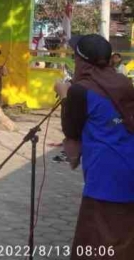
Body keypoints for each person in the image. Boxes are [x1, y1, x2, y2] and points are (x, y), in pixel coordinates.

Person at [54, 34, 134, 260]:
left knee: (94, 242)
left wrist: (65, 96)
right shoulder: (123, 83)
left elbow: (71, 129)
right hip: (130, 167)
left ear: (81, 62)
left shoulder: (81, 91)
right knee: (125, 238)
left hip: (105, 176)